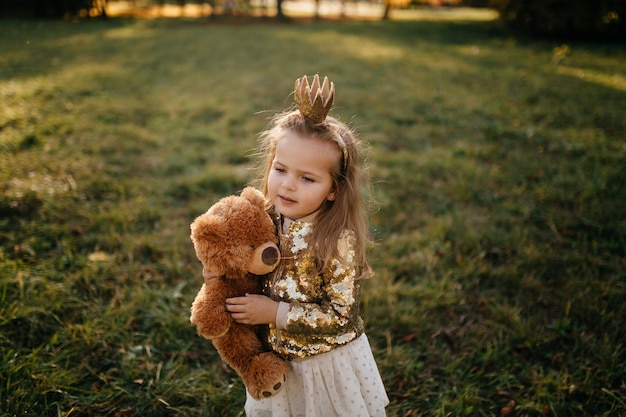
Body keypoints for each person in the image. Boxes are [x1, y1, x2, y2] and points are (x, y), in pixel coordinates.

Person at [220, 74, 389, 417]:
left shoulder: (337, 240)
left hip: (322, 364)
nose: (288, 186)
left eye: (307, 178)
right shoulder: (265, 219)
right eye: (281, 169)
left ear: (333, 189)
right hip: (278, 359)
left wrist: (273, 313)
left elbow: (341, 316)